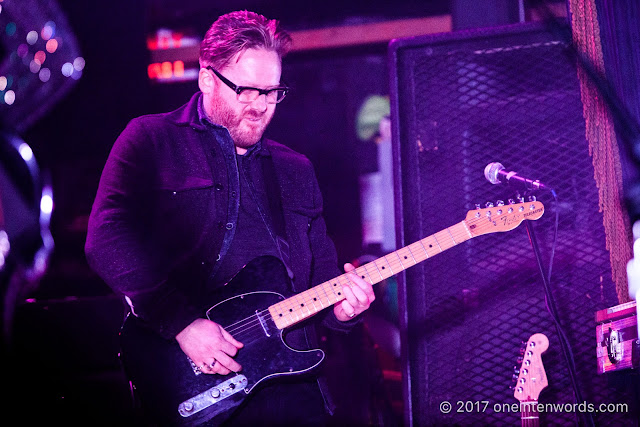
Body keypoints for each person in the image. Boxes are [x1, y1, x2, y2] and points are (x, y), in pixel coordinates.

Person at [85, 10, 376, 425]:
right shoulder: (151, 140)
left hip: (292, 389)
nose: (260, 106)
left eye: (272, 92)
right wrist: (182, 323)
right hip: (193, 382)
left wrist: (345, 310)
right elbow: (106, 239)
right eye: (246, 90)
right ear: (207, 78)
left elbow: (320, 284)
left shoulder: (295, 169)